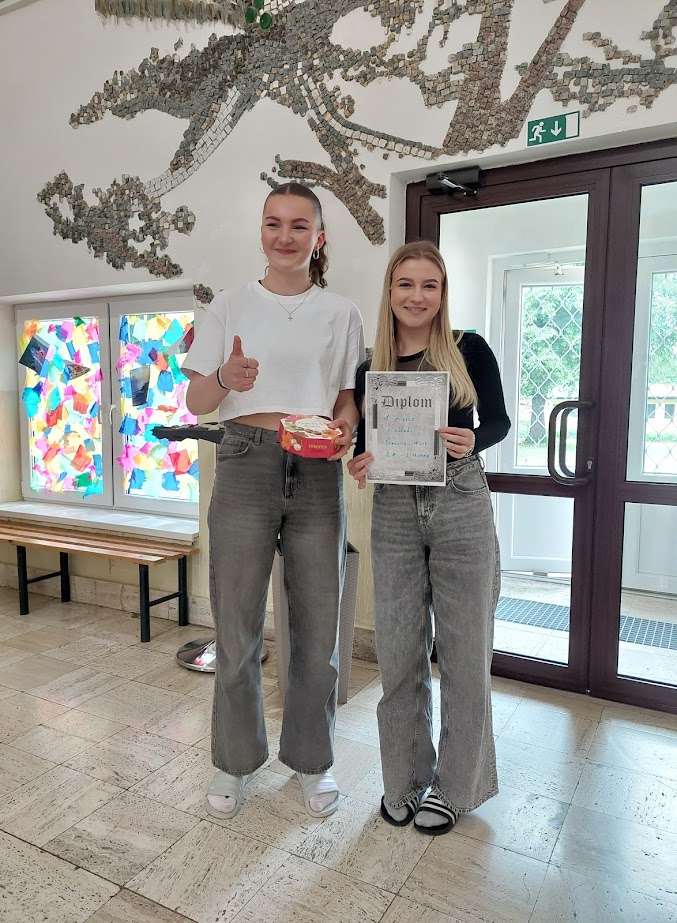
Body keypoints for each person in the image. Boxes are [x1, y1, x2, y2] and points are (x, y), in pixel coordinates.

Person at [182, 182, 364, 820]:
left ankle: (313, 761)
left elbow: (346, 398)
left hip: (316, 468)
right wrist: (224, 378)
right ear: (260, 231)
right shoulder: (228, 306)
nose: (284, 236)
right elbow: (197, 402)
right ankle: (233, 762)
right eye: (273, 223)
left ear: (319, 237)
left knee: (317, 628)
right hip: (244, 459)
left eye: (298, 225)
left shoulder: (340, 312)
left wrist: (345, 428)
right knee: (235, 625)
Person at [348, 241, 510, 835]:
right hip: (393, 507)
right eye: (406, 284)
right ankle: (405, 779)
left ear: (442, 295)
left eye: (429, 286)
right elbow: (367, 443)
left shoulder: (469, 349)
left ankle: (457, 787)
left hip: (459, 501)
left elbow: (498, 420)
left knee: (465, 655)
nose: (416, 297)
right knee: (398, 655)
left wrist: (475, 441)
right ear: (390, 291)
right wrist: (360, 461)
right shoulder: (371, 370)